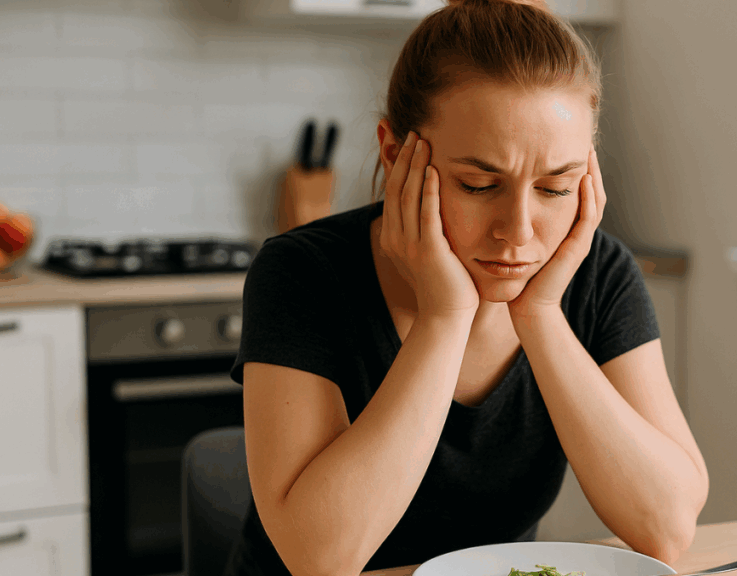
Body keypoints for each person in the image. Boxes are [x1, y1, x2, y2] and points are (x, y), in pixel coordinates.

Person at [223, 0, 709, 574]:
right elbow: (319, 558)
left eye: (555, 188)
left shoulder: (598, 273)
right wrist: (445, 318)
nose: (519, 232)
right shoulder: (302, 273)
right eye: (479, 184)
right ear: (395, 154)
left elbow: (666, 527)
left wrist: (543, 316)